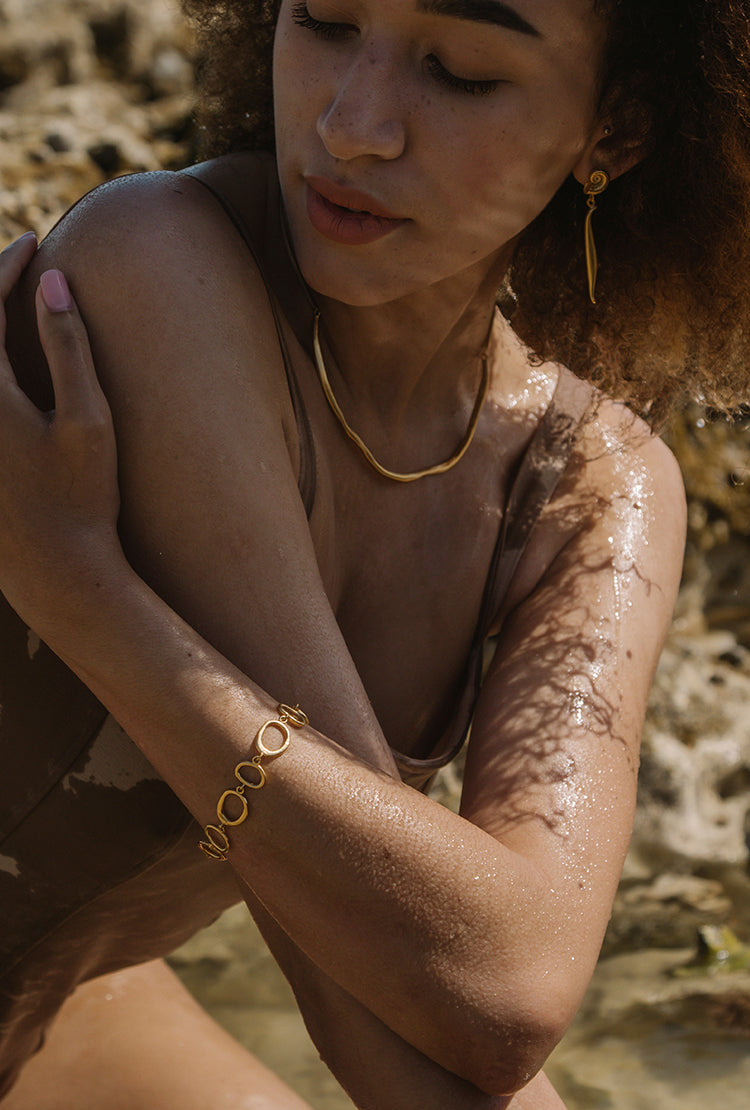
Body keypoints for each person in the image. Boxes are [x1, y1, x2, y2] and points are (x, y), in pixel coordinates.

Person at [0, 1, 749, 1107]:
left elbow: (510, 982)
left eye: (460, 72)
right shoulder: (156, 268)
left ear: (618, 127)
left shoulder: (591, 484)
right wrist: (81, 596)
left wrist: (82, 597)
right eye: (325, 18)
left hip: (61, 1010)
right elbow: (432, 997)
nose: (351, 125)